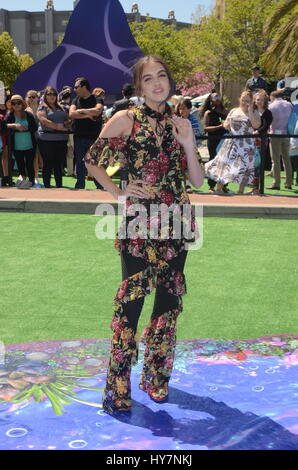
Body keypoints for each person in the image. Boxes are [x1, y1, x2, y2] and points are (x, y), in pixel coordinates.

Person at [84, 55, 204, 413]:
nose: (156, 83)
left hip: (177, 221)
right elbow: (92, 160)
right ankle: (118, 384)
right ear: (138, 87)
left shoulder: (181, 122)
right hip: (139, 221)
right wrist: (118, 193)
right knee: (132, 302)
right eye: (148, 78)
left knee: (167, 304)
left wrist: (186, 142)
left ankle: (156, 378)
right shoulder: (125, 120)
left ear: (170, 81)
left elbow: (196, 180)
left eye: (162, 76)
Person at [204, 90, 261, 194]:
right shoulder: (234, 110)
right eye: (243, 100)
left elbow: (256, 125)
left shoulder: (254, 112)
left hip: (246, 144)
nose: (245, 102)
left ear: (252, 101)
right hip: (232, 142)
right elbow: (226, 124)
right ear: (240, 99)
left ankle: (240, 190)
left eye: (248, 100)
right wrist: (226, 124)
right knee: (224, 164)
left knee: (245, 167)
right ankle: (219, 188)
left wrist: (251, 110)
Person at [69, 77, 104, 189]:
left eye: (76, 87)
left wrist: (81, 111)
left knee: (95, 163)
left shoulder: (97, 98)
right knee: (80, 162)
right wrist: (88, 115)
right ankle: (80, 185)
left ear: (84, 87)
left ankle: (100, 186)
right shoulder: (75, 100)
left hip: (94, 137)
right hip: (79, 136)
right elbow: (72, 114)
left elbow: (98, 111)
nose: (74, 89)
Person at [37, 86, 69, 188]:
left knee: (59, 165)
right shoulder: (42, 107)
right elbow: (43, 120)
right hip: (46, 140)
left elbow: (70, 119)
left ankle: (59, 186)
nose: (52, 96)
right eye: (49, 94)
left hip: (61, 140)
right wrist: (58, 127)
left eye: (54, 94)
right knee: (47, 164)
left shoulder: (62, 107)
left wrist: (67, 125)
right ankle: (47, 186)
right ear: (45, 96)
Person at [5, 94, 38, 188]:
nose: (16, 105)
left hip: (29, 144)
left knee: (30, 165)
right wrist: (15, 126)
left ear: (22, 104)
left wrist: (25, 128)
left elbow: (34, 127)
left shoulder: (28, 115)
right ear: (11, 105)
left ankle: (32, 182)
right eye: (13, 103)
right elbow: (4, 125)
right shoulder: (10, 115)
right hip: (16, 145)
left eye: (19, 102)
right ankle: (23, 182)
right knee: (20, 165)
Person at [202, 93, 229, 193]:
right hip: (213, 140)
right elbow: (205, 128)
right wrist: (220, 126)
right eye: (215, 97)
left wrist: (227, 126)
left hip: (224, 140)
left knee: (225, 162)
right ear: (211, 100)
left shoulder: (226, 112)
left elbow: (230, 126)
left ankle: (224, 185)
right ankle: (211, 186)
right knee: (213, 161)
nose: (217, 99)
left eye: (219, 97)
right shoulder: (208, 113)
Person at [266, 90, 293, 190]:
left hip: (274, 135)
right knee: (286, 159)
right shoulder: (289, 105)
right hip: (286, 134)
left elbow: (268, 121)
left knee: (275, 160)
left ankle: (276, 183)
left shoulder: (271, 106)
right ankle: (289, 182)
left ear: (272, 97)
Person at [247, 91, 273, 194]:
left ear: (265, 101)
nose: (259, 101)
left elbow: (266, 125)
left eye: (262, 100)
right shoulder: (252, 111)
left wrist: (257, 131)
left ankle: (258, 188)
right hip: (251, 140)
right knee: (252, 164)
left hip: (261, 140)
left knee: (259, 164)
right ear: (254, 100)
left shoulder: (268, 112)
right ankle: (254, 187)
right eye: (258, 99)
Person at [177, 98, 203, 193]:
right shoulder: (177, 119)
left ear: (189, 109)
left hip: (190, 147)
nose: (181, 111)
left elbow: (193, 133)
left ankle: (188, 185)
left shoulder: (193, 119)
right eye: (180, 108)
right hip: (178, 147)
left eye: (184, 108)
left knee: (188, 166)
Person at [25, 90, 43, 186]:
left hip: (41, 136)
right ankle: (34, 177)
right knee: (32, 158)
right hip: (28, 137)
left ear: (37, 98)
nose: (31, 99)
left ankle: (35, 176)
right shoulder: (24, 109)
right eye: (29, 97)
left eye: (33, 97)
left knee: (39, 158)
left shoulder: (42, 109)